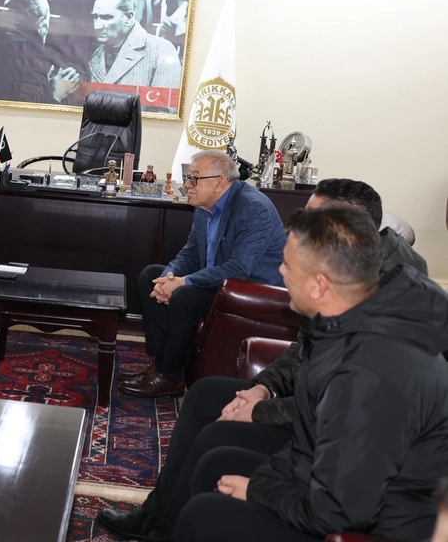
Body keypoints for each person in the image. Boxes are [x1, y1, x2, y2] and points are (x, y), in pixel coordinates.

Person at [98, 177, 430, 541]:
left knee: (217, 441)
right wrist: (262, 388)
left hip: (339, 449)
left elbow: (341, 411)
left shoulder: (390, 302)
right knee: (204, 395)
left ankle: (169, 530)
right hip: (313, 414)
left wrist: (260, 411)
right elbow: (303, 348)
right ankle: (156, 516)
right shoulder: (343, 265)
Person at [174, 207, 448, 541]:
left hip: (375, 526)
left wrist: (258, 491)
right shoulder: (344, 328)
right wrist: (264, 481)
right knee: (214, 466)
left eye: (288, 265)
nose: (280, 271)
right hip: (331, 484)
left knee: (202, 516)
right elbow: (308, 443)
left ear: (319, 285)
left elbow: (342, 510)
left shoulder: (373, 369)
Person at [118, 150, 285, 398]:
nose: (188, 184)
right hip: (221, 282)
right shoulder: (203, 205)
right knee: (150, 277)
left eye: (194, 178)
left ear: (220, 182)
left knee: (184, 296)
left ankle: (169, 376)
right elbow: (190, 253)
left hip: (252, 291)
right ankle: (161, 367)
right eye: (189, 177)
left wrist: (183, 282)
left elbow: (239, 269)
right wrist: (169, 278)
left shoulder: (253, 208)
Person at [0, 0, 81, 104]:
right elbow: (19, 110)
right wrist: (57, 95)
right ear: (43, 26)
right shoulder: (30, 61)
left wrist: (48, 85)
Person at [88, 0, 182, 112]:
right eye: (95, 17)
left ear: (128, 17)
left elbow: (165, 113)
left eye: (106, 17)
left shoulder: (161, 49)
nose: (97, 26)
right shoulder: (96, 54)